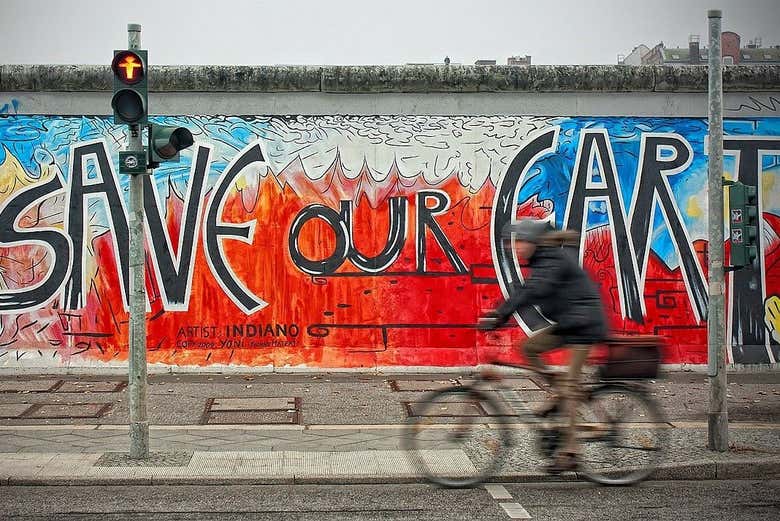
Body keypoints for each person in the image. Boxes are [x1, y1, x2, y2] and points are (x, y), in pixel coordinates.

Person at [479, 219, 608, 472]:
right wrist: (499, 315)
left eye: (520, 242)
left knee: (569, 388)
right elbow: (527, 290)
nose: (515, 248)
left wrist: (500, 316)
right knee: (529, 348)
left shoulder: (552, 259)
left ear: (533, 242)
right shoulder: (544, 260)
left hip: (583, 326)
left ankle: (570, 452)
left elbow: (532, 291)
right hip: (570, 323)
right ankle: (559, 394)